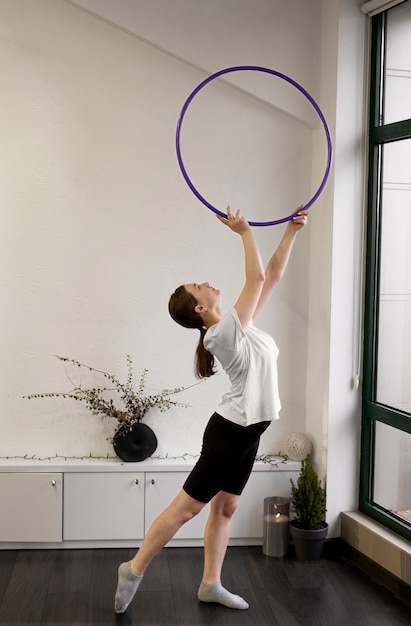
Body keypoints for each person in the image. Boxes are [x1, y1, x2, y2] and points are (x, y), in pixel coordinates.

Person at [114, 205, 309, 614]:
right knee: (187, 508)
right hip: (230, 434)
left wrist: (291, 231)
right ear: (199, 309)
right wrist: (244, 232)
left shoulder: (241, 324)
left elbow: (270, 277)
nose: (206, 283)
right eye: (198, 286)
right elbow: (255, 277)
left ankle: (211, 585)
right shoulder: (219, 335)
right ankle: (132, 570)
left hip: (249, 430)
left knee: (227, 505)